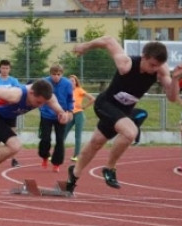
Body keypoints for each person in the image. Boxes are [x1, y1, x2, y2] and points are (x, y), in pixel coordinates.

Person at [66, 38, 182, 193]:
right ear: (144, 57)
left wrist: (175, 79)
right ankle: (110, 168)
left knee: (96, 142)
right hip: (105, 104)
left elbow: (172, 97)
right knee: (130, 132)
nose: (155, 69)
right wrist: (84, 46)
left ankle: (73, 175)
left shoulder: (161, 70)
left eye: (158, 66)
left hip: (122, 111)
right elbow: (109, 41)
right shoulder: (126, 64)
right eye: (152, 65)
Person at [36, 64, 74, 172]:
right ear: (50, 74)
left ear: (62, 74)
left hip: (61, 115)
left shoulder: (67, 83)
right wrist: (41, 108)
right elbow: (39, 96)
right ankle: (44, 156)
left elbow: (70, 99)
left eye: (58, 74)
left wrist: (70, 111)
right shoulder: (44, 82)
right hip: (46, 115)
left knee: (60, 140)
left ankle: (56, 163)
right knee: (45, 138)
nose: (56, 77)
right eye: (54, 74)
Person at [0, 59, 22, 167]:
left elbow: (18, 93)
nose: (5, 70)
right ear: (0, 69)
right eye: (3, 68)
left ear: (10, 69)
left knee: (12, 134)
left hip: (10, 111)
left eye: (7, 68)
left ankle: (14, 159)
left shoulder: (13, 81)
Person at [64, 74, 95, 162]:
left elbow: (92, 99)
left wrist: (84, 107)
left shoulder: (79, 90)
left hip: (79, 114)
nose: (71, 82)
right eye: (69, 81)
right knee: (63, 134)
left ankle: (76, 155)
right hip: (70, 114)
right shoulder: (67, 91)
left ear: (76, 82)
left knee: (77, 135)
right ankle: (58, 153)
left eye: (73, 81)